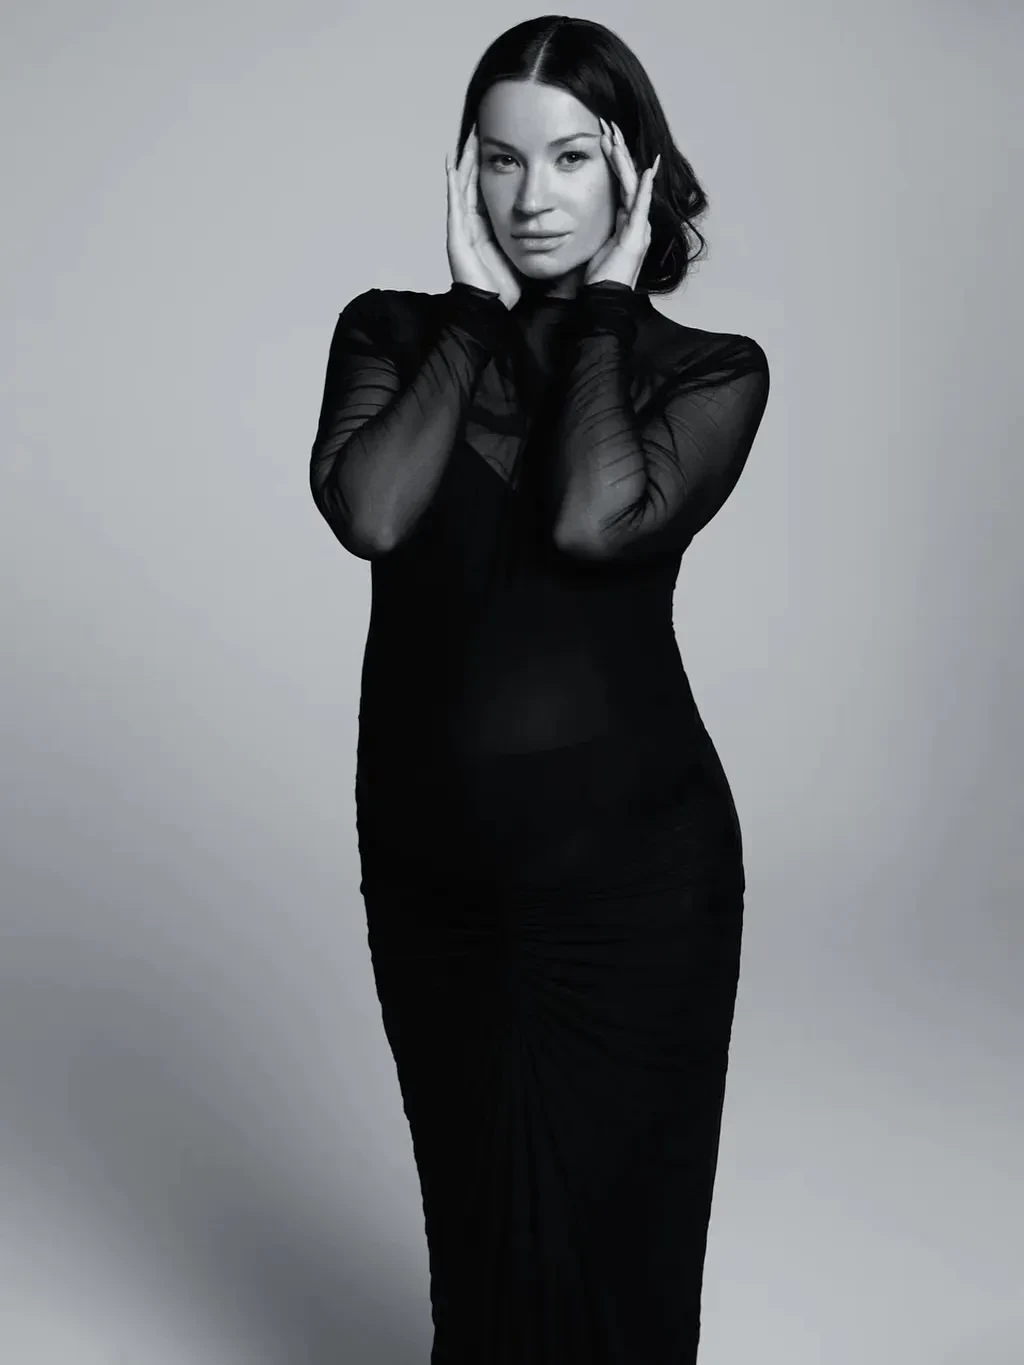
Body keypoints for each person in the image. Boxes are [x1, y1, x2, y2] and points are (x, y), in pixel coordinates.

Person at [309, 16, 770, 1364]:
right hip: (434, 877)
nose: (532, 196)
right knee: (479, 1241)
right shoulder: (391, 333)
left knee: (625, 1248)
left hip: (636, 883)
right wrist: (469, 313)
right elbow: (372, 514)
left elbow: (589, 518)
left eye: (571, 158)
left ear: (635, 172)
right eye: (501, 160)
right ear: (466, 174)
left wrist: (610, 308)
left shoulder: (711, 371)